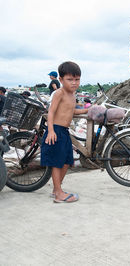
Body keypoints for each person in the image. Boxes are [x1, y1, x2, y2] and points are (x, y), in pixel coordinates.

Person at [41, 61, 88, 203]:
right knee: (57, 162)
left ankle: (57, 189)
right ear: (61, 80)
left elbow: (71, 111)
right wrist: (50, 131)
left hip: (64, 131)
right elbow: (51, 112)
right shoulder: (59, 93)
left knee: (67, 161)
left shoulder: (72, 96)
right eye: (70, 79)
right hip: (55, 130)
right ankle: (59, 194)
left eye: (77, 79)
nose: (74, 83)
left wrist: (87, 109)